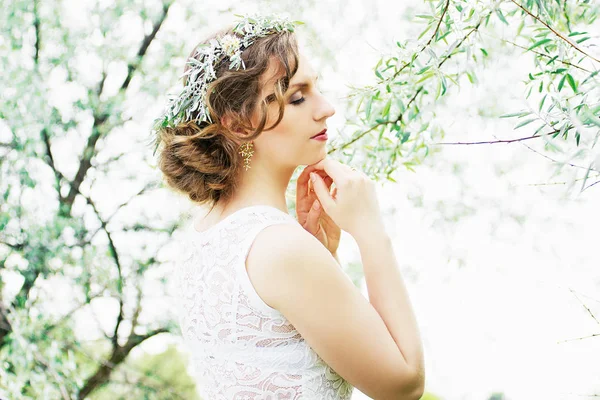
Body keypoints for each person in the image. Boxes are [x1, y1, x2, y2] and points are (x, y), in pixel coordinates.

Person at [153, 13, 425, 400]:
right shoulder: (279, 247)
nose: (326, 108)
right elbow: (404, 384)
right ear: (240, 124)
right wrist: (370, 232)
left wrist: (324, 256)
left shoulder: (201, 239)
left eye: (316, 89)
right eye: (298, 97)